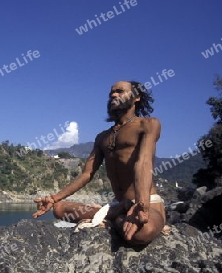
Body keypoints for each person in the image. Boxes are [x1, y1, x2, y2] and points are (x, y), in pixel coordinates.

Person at [32, 80, 167, 245]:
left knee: (141, 234)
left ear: (136, 97)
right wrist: (54, 198)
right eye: (111, 93)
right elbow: (87, 174)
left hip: (147, 202)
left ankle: (110, 216)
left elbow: (143, 163)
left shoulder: (148, 124)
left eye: (120, 91)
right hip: (118, 203)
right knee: (59, 209)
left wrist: (142, 204)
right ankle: (116, 212)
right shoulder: (102, 137)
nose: (113, 95)